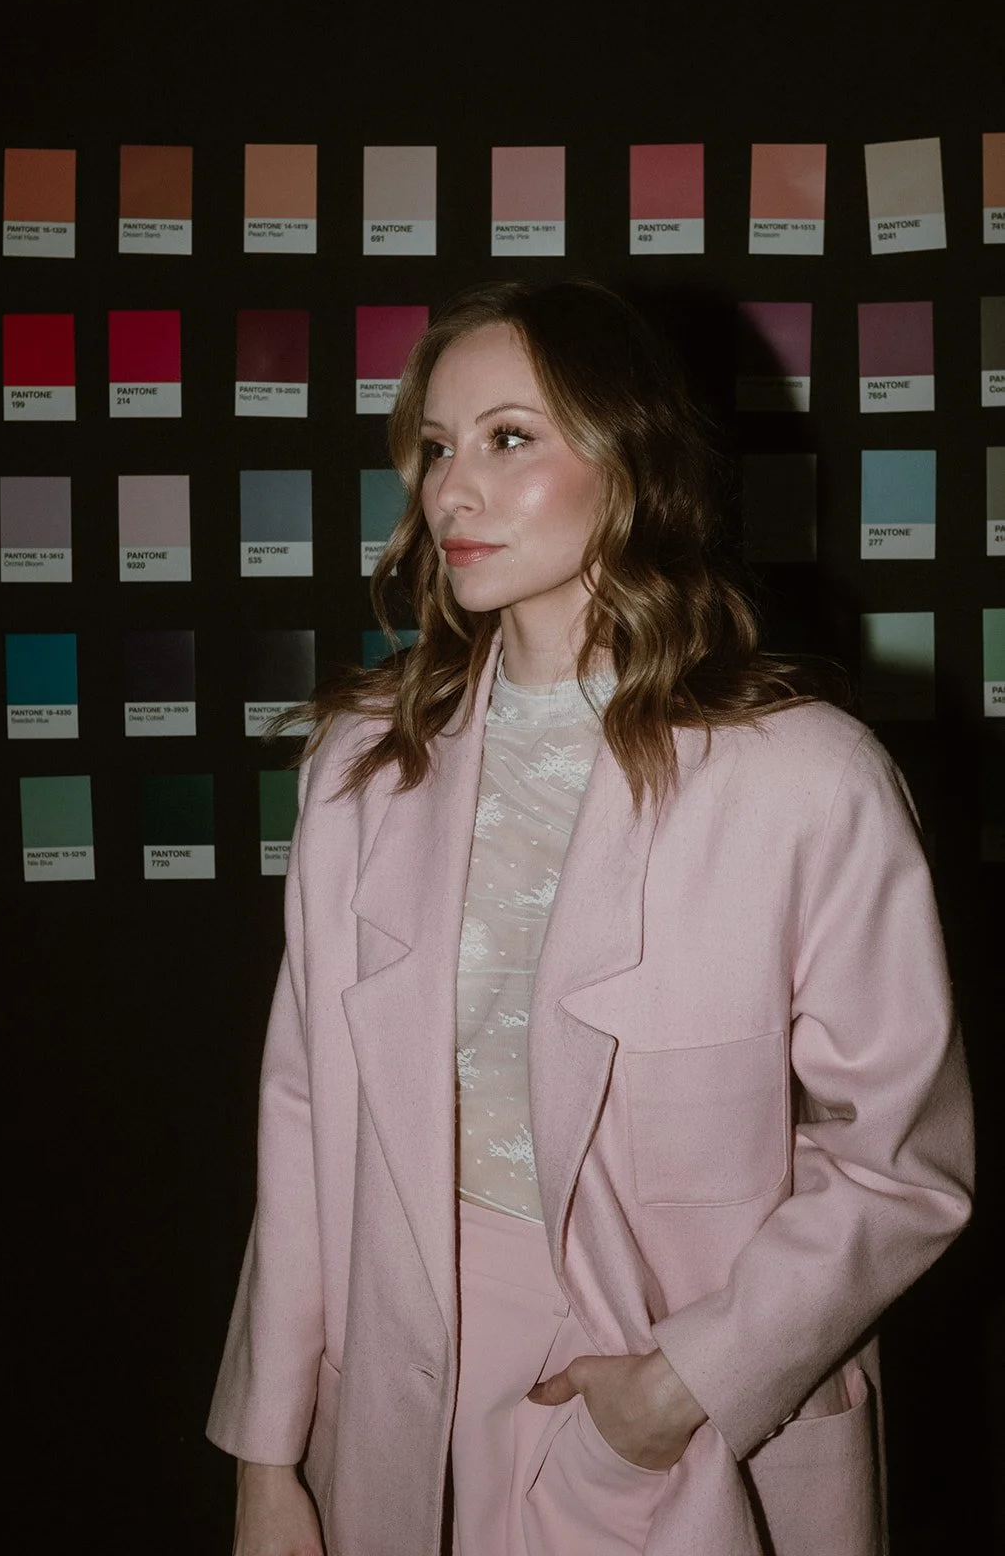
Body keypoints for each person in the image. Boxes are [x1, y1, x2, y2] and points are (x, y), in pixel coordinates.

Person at [207, 280, 974, 1556]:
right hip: (402, 1387)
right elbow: (302, 1125)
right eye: (437, 448)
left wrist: (684, 1382)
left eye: (511, 438)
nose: (452, 492)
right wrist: (266, 1457)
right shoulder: (359, 763)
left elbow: (900, 1162)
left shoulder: (805, 776)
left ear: (632, 462)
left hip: (679, 1400)